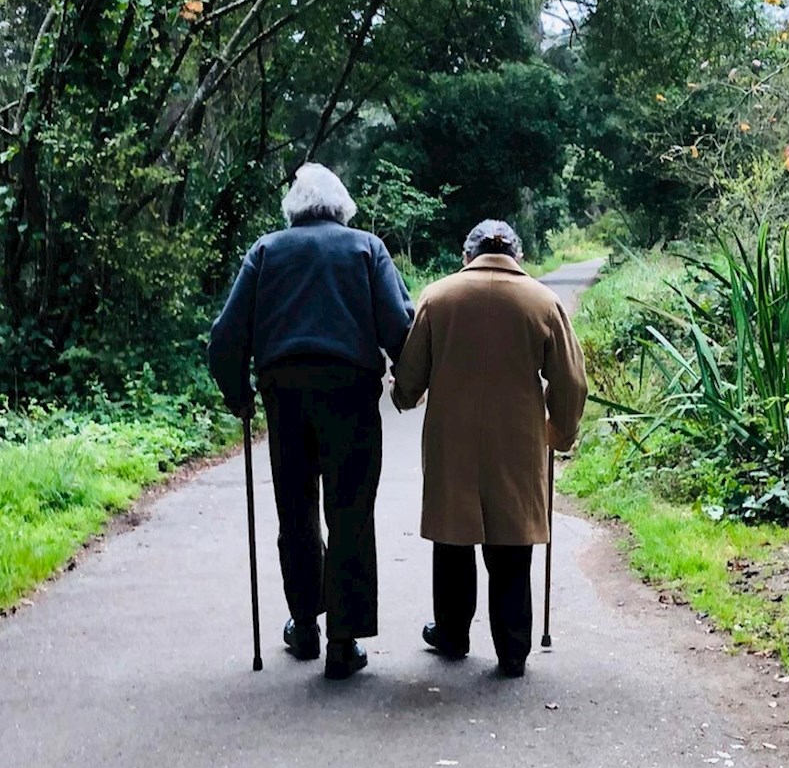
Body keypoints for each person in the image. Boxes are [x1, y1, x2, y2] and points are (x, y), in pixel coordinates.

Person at [208, 163, 414, 679]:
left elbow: (225, 336)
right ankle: (343, 645)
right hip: (351, 396)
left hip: (287, 396)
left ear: (293, 210)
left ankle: (305, 627)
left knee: (295, 512)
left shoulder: (266, 251)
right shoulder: (367, 248)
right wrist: (409, 381)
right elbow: (399, 325)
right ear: (342, 208)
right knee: (350, 514)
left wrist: (239, 394)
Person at [391, 219, 587, 678]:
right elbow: (571, 381)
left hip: (451, 440)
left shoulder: (439, 297)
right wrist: (560, 430)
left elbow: (409, 376)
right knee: (512, 542)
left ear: (468, 255)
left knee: (453, 537)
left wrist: (403, 397)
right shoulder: (543, 302)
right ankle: (513, 649)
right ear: (517, 256)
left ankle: (453, 633)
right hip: (517, 442)